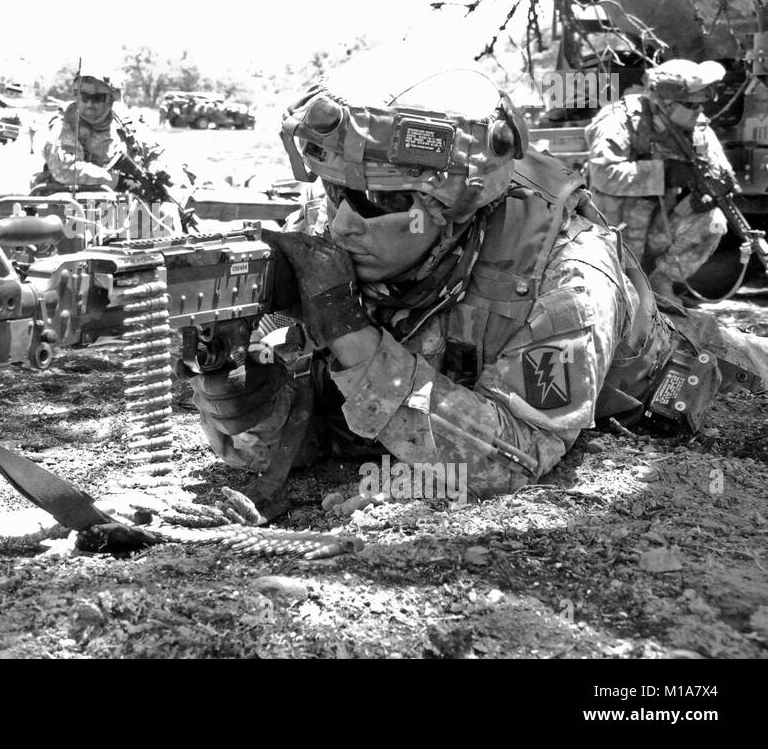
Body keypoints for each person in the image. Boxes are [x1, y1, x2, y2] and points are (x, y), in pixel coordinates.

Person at [187, 68, 768, 519]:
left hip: (692, 374)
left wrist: (351, 335)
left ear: (453, 206)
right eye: (335, 194)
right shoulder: (346, 222)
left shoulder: (569, 279)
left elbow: (521, 453)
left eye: (377, 204)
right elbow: (322, 421)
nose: (340, 226)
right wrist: (235, 384)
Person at [585, 59, 737, 301]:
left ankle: (661, 282)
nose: (699, 111)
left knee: (713, 221)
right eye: (691, 105)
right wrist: (665, 174)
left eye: (701, 104)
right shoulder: (620, 120)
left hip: (657, 227)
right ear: (664, 103)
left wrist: (710, 194)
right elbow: (605, 175)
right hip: (611, 234)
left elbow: (721, 171)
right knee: (610, 298)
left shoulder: (696, 128)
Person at [32, 71, 132, 193]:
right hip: (67, 200)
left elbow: (153, 151)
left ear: (111, 99)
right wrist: (118, 181)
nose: (89, 103)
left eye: (97, 98)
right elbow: (66, 170)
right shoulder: (65, 123)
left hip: (116, 203)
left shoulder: (124, 123)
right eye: (84, 97)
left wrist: (155, 167)